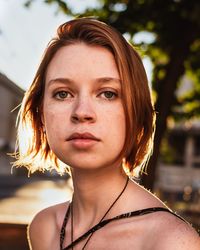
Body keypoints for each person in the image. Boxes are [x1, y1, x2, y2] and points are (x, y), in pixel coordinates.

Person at [14, 18, 200, 250]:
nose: (82, 112)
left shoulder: (170, 242)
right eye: (63, 94)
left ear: (137, 113)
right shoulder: (44, 227)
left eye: (108, 94)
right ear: (40, 113)